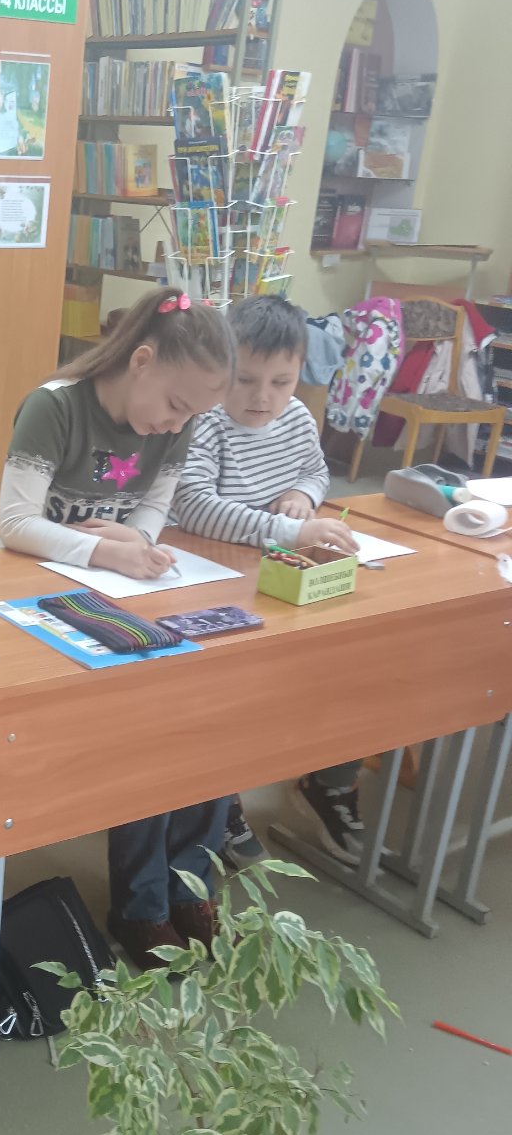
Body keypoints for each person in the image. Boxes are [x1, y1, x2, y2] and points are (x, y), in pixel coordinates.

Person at [0, 285, 235, 967]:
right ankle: (142, 905)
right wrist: (106, 551)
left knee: (208, 714)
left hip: (128, 592)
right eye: (175, 405)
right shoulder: (54, 407)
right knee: (147, 737)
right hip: (41, 601)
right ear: (141, 361)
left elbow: (155, 507)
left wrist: (139, 540)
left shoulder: (177, 424)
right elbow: (15, 524)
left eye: (190, 414)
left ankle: (190, 883)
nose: (176, 423)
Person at [171, 295, 365, 866]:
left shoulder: (297, 416)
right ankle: (221, 799)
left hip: (278, 576)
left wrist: (303, 492)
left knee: (353, 654)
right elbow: (195, 507)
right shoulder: (206, 421)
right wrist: (291, 530)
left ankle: (329, 779)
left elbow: (316, 470)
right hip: (210, 578)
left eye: (281, 382)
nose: (263, 398)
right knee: (229, 692)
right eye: (246, 380)